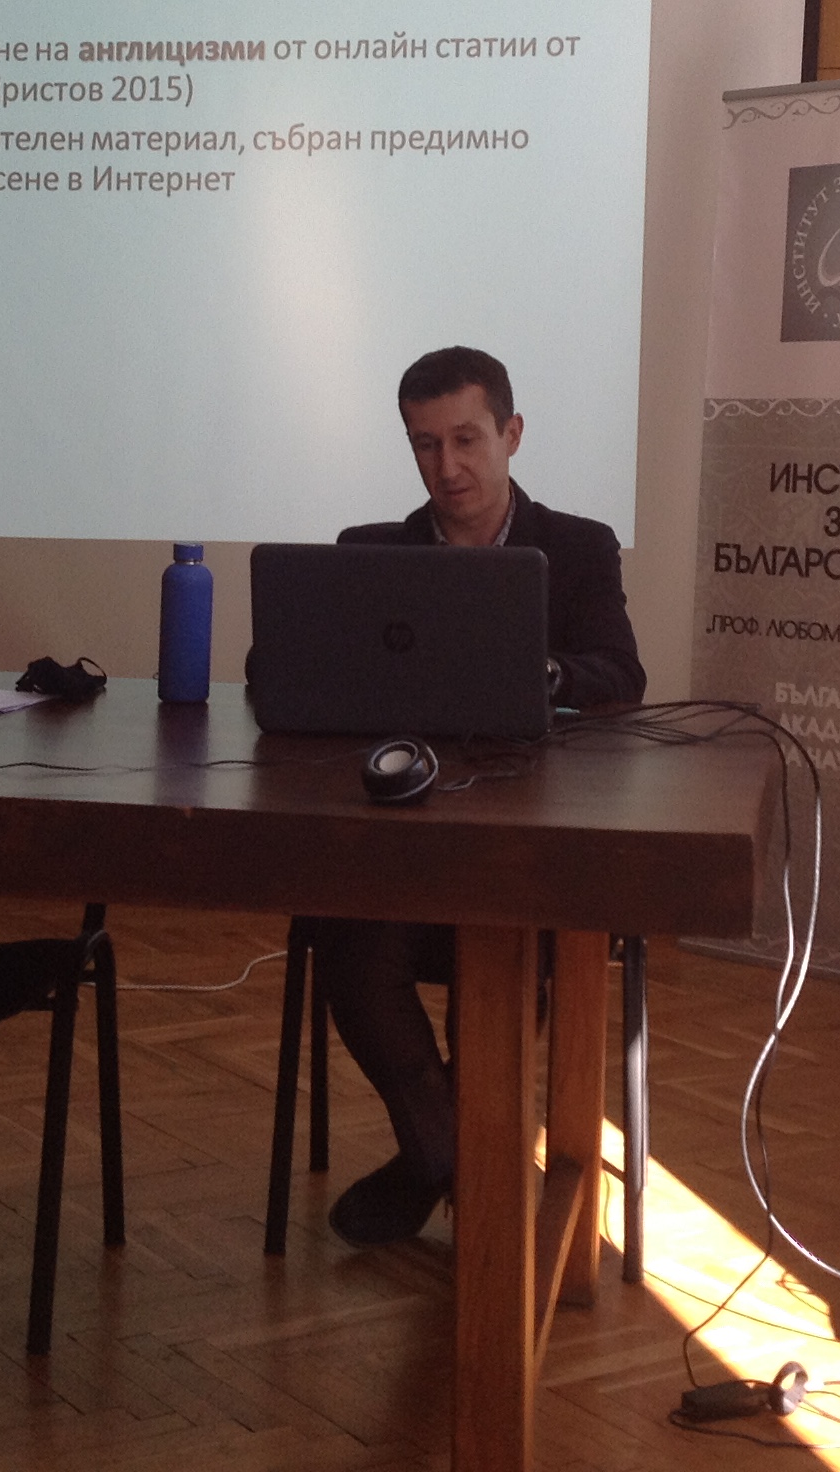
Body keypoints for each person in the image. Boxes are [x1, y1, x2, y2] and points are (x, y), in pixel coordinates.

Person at [313, 345, 646, 1245]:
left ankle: (440, 1162)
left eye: (466, 440)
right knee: (350, 948)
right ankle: (456, 1161)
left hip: (529, 845)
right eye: (425, 445)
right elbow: (286, 670)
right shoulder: (370, 555)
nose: (447, 466)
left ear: (512, 434)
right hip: (400, 843)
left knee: (498, 941)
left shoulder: (577, 547)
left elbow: (620, 675)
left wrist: (537, 671)